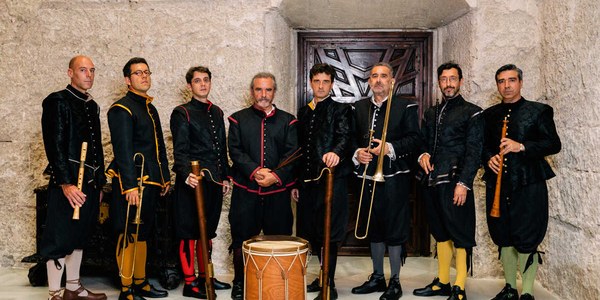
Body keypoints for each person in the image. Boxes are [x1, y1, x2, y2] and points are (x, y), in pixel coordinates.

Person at [483, 64, 561, 300]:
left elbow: (553, 144)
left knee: (527, 237)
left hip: (529, 183)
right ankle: (509, 288)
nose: (506, 86)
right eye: (501, 81)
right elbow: (482, 146)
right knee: (503, 234)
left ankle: (526, 292)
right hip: (498, 183)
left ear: (520, 82)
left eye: (511, 80)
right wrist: (488, 158)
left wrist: (522, 146)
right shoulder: (489, 115)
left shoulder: (539, 111)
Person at [413, 62, 483, 300]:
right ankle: (443, 281)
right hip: (432, 181)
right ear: (439, 82)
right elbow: (422, 141)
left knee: (460, 233)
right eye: (444, 79)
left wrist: (464, 183)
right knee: (440, 233)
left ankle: (459, 286)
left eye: (453, 79)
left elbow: (475, 151)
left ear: (460, 81)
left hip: (456, 183)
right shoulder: (431, 112)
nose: (448, 83)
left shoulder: (472, 111)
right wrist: (422, 154)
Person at [351, 62, 421, 300]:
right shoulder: (358, 107)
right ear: (369, 82)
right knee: (373, 226)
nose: (378, 80)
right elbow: (351, 139)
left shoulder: (405, 106)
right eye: (374, 76)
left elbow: (414, 139)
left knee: (394, 227)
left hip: (395, 177)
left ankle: (395, 281)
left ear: (392, 81)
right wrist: (357, 153)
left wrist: (388, 147)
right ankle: (378, 277)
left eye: (384, 76)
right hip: (367, 175)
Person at [227, 72, 299, 300]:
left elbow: (293, 153)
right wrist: (256, 171)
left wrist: (275, 176)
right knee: (241, 239)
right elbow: (235, 151)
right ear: (252, 92)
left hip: (277, 192)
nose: (263, 94)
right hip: (245, 191)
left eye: (268, 90)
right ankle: (240, 283)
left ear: (274, 92)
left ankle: (276, 283)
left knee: (279, 239)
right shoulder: (237, 119)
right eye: (259, 89)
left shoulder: (289, 120)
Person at [40, 55, 107, 300]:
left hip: (89, 183)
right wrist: (65, 184)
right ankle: (55, 294)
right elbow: (54, 145)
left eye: (91, 70)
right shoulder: (57, 101)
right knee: (59, 238)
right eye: (82, 70)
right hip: (67, 183)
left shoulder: (92, 105)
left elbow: (97, 147)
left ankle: (73, 288)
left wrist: (100, 183)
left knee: (78, 236)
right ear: (70, 73)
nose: (88, 74)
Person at [107, 57, 171, 300]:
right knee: (128, 232)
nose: (144, 76)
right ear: (127, 79)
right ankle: (126, 289)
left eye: (147, 72)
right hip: (132, 184)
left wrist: (165, 177)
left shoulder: (150, 108)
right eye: (138, 73)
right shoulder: (121, 108)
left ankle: (141, 281)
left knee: (144, 233)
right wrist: (130, 186)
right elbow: (122, 150)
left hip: (151, 181)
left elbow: (159, 148)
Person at [292, 63, 353, 300]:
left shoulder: (340, 111)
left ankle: (329, 283)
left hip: (331, 181)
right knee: (313, 233)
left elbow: (344, 137)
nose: (320, 86)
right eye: (316, 81)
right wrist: (297, 183)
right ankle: (321, 276)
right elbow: (300, 150)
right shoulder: (303, 112)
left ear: (332, 84)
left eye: (325, 81)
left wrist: (336, 152)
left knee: (329, 232)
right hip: (308, 183)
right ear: (310, 82)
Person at [170, 66, 231, 298]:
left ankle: (207, 275)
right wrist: (187, 174)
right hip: (192, 182)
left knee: (208, 232)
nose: (203, 84)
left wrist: (225, 176)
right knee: (190, 233)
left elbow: (221, 149)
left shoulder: (216, 111)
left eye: (206, 80)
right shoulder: (182, 112)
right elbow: (180, 151)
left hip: (214, 182)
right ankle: (189, 282)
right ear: (190, 86)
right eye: (197, 81)